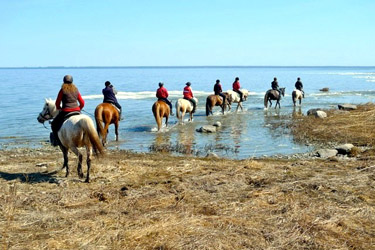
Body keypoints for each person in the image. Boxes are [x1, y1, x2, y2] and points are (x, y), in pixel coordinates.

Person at [50, 75, 85, 146]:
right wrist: (79, 108)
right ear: (72, 81)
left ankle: (58, 141)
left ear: (64, 82)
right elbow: (82, 102)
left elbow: (57, 103)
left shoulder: (62, 90)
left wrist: (59, 108)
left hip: (66, 111)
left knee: (53, 124)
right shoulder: (76, 90)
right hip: (77, 111)